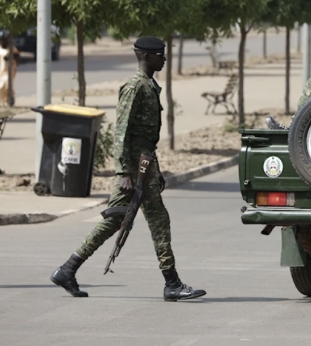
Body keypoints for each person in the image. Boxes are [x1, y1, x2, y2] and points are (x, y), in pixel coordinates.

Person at [50, 37, 206, 301]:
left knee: (121, 220)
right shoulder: (135, 86)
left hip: (143, 164)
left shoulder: (149, 85)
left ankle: (67, 270)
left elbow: (146, 139)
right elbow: (121, 132)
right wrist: (122, 172)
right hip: (133, 168)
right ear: (144, 56)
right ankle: (172, 284)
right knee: (154, 220)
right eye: (159, 55)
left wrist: (156, 169)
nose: (164, 59)